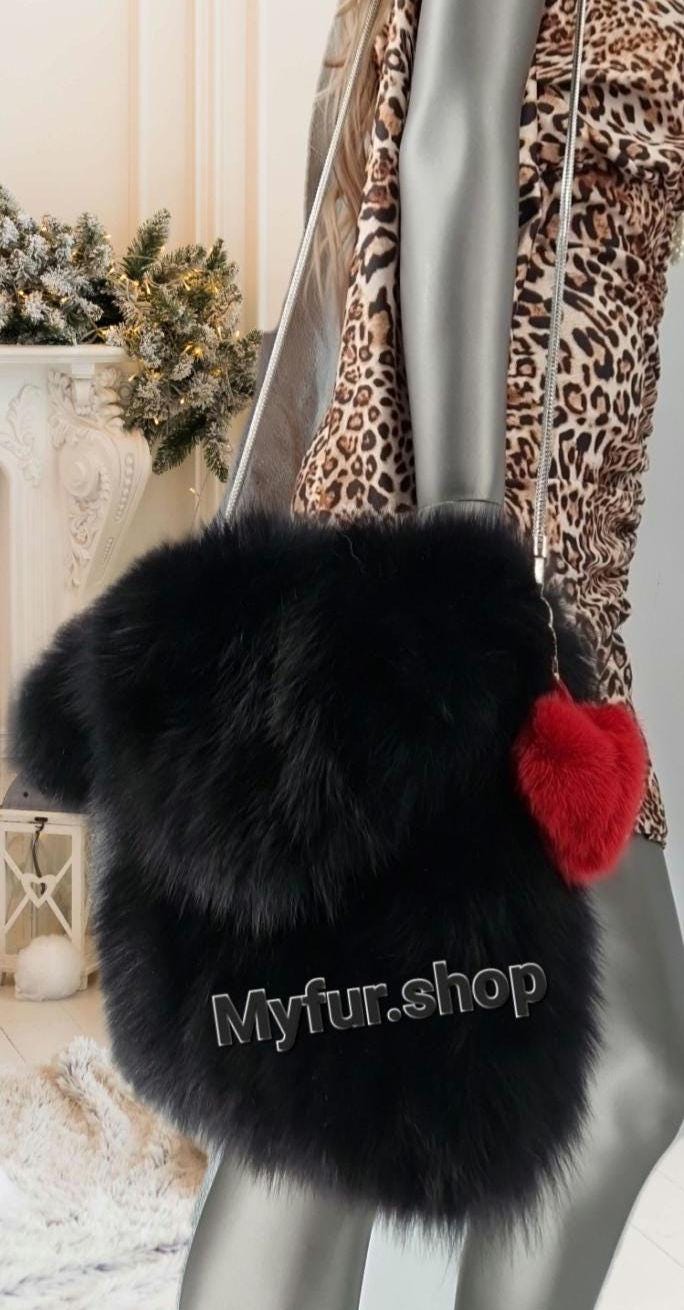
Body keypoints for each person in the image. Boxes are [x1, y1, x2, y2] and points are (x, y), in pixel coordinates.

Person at [178, 3, 684, 1307]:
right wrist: (465, 537)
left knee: (606, 1063)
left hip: (562, 552)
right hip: (465, 519)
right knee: (350, 1067)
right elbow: (452, 111)